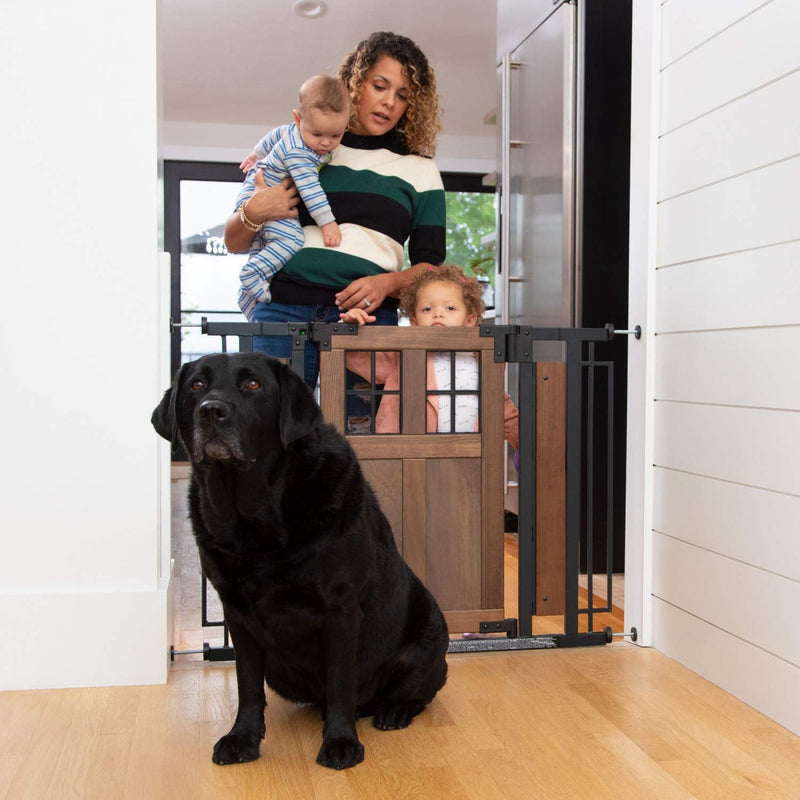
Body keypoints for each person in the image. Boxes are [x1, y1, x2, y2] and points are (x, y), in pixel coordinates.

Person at [223, 31, 446, 398]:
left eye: (403, 95)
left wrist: (385, 284)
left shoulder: (420, 170)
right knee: (265, 441)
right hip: (282, 310)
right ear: (356, 83)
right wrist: (255, 210)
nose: (389, 102)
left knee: (360, 446)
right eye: (380, 85)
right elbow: (233, 241)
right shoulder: (304, 145)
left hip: (366, 321)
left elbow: (430, 268)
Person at [340, 264, 520, 446]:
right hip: (409, 456)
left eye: (450, 308)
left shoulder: (484, 359)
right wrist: (351, 329)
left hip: (468, 458)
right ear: (414, 322)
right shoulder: (403, 356)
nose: (438, 314)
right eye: (427, 309)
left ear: (469, 321)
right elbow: (356, 356)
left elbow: (500, 406)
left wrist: (530, 448)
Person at [236, 75, 350, 320]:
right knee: (291, 240)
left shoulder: (292, 131)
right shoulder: (300, 154)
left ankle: (247, 299)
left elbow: (275, 135)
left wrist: (256, 154)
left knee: (263, 245)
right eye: (318, 134)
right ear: (298, 119)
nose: (326, 143)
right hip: (263, 195)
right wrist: (328, 223)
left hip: (257, 188)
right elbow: (311, 191)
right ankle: (251, 274)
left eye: (335, 136)